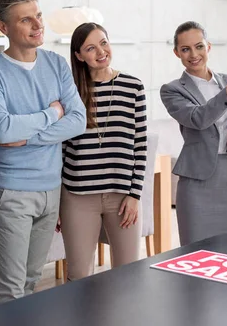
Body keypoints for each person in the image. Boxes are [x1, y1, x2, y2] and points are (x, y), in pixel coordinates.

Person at [0, 0, 86, 305]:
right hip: (11, 191)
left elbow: (77, 120)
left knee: (30, 283)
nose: (38, 25)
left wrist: (28, 135)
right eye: (26, 19)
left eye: (38, 16)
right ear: (4, 27)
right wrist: (52, 113)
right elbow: (2, 129)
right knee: (8, 289)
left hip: (51, 188)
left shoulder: (56, 64)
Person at [160, 21, 227, 246]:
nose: (193, 54)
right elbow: (199, 119)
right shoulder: (172, 90)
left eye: (199, 46)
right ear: (176, 52)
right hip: (197, 182)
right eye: (185, 49)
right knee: (195, 254)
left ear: (209, 47)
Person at [60, 22, 147, 280]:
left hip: (122, 198)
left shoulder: (133, 87)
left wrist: (135, 194)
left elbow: (139, 144)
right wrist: (56, 201)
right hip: (77, 197)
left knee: (128, 276)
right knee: (78, 277)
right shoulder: (70, 91)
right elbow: (61, 148)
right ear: (78, 56)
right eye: (90, 48)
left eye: (104, 43)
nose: (100, 52)